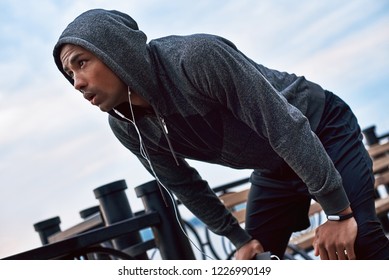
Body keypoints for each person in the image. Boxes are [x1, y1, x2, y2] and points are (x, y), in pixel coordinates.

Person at [53, 9, 389, 260]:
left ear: (116, 51)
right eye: (70, 74)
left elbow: (284, 126)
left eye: (81, 63)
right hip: (274, 164)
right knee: (252, 264)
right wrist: (238, 238)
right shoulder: (127, 125)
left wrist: (337, 213)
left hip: (320, 127)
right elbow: (184, 184)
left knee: (360, 242)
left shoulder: (196, 59)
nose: (77, 83)